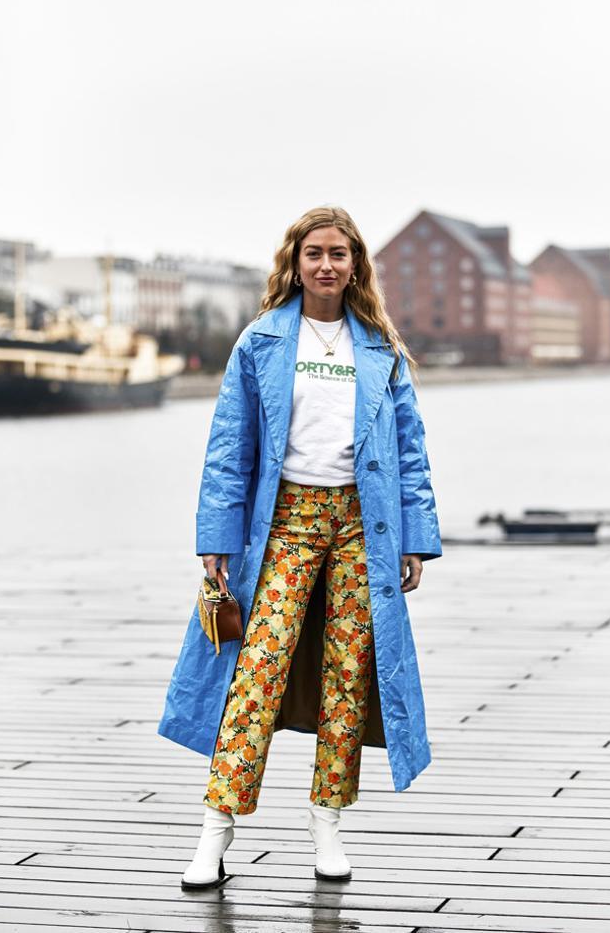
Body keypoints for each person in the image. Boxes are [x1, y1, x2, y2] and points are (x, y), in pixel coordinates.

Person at [157, 205, 442, 889]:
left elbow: (410, 452)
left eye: (338, 254)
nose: (325, 264)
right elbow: (230, 447)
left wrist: (414, 539)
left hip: (360, 526)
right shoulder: (261, 342)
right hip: (282, 521)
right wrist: (217, 539)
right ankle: (214, 834)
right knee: (253, 672)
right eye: (314, 252)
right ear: (295, 260)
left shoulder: (379, 346)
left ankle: (327, 827)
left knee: (348, 676)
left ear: (355, 265)